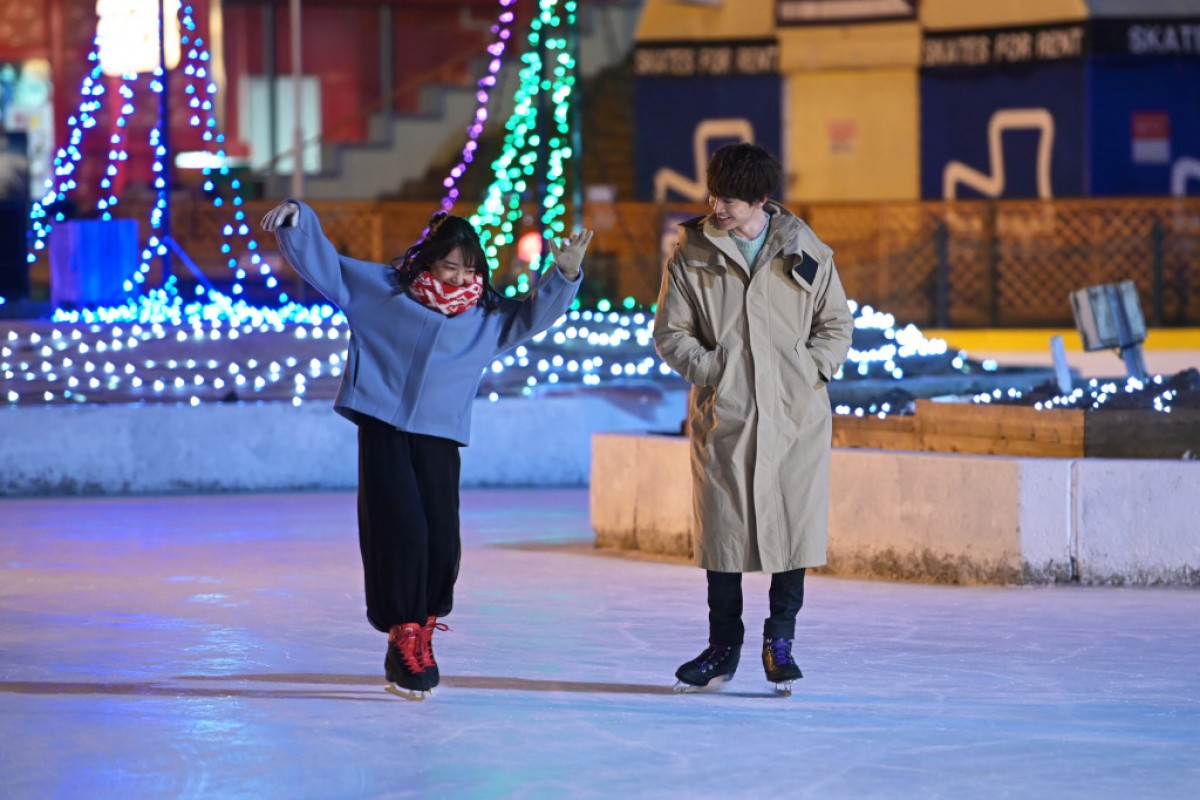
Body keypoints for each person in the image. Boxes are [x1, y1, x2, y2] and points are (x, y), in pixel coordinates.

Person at [262, 199, 592, 699]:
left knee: (439, 539)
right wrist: (299, 218)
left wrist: (563, 274)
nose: (460, 278)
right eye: (449, 266)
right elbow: (327, 267)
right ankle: (404, 638)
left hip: (440, 436)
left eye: (470, 269)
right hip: (383, 428)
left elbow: (531, 319)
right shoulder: (383, 293)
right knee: (401, 532)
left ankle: (425, 630)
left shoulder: (485, 318)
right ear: (428, 262)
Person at [652, 143, 853, 694]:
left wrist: (812, 369)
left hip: (795, 417)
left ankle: (780, 641)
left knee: (792, 529)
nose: (720, 209)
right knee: (724, 531)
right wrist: (713, 368)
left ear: (762, 200)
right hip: (728, 413)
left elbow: (835, 323)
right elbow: (670, 333)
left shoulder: (803, 248)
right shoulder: (693, 252)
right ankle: (723, 646)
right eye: (715, 196)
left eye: (734, 202)